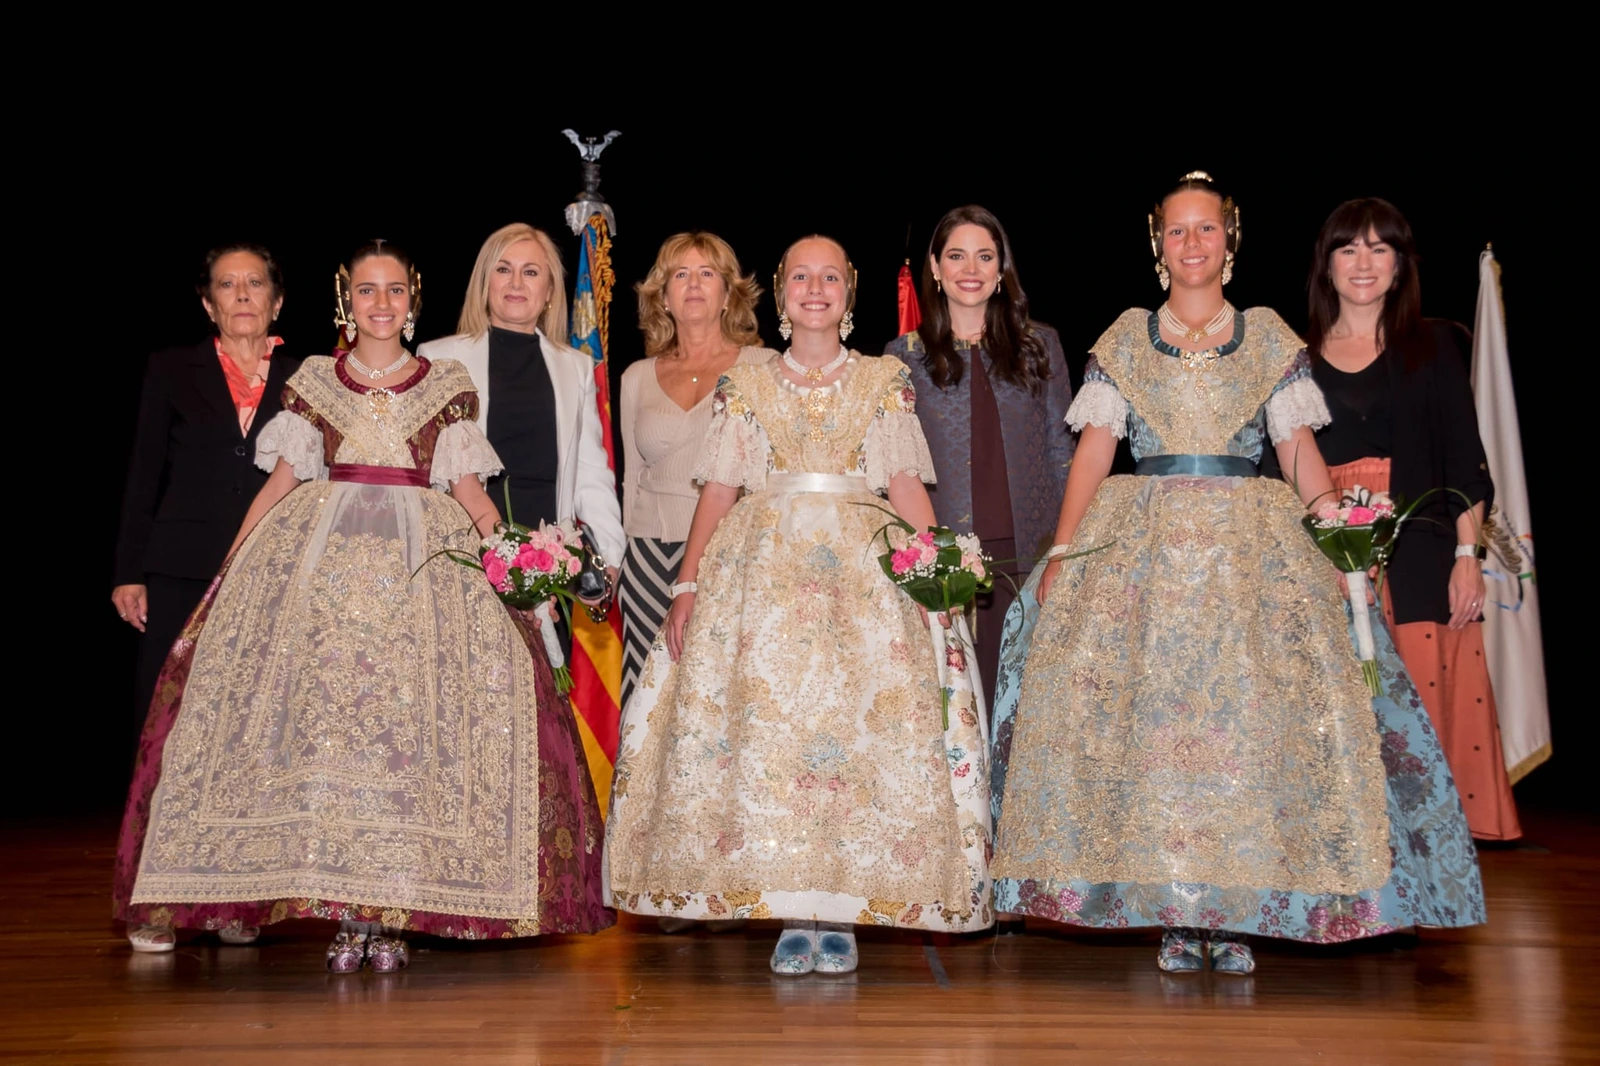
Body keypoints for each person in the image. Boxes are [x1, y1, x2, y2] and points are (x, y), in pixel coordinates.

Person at [988, 174, 1484, 976]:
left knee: (1244, 737)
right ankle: (1177, 914)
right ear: (1159, 245)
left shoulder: (1268, 338)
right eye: (1178, 231)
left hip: (1247, 559)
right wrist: (1066, 551)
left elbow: (1298, 452)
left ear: (1231, 239)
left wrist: (1336, 533)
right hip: (1143, 558)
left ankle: (1236, 913)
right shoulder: (1126, 338)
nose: (1193, 244)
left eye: (1207, 229)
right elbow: (1094, 453)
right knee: (1156, 739)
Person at [114, 242, 612, 968]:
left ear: (414, 299)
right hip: (328, 584)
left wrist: (511, 560)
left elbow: (470, 493)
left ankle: (390, 911)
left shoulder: (445, 384)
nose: (383, 303)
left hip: (422, 580)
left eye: (396, 290)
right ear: (347, 300)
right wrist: (233, 566)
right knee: (328, 736)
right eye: (368, 290)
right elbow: (282, 482)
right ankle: (341, 912)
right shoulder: (318, 378)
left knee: (405, 742)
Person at [605, 236, 991, 976]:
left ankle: (839, 912)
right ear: (782, 295)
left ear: (849, 293)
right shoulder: (747, 384)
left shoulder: (883, 379)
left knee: (850, 734)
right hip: (763, 580)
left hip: (863, 580)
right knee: (771, 738)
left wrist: (936, 570)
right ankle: (791, 911)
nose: (817, 289)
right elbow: (720, 490)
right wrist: (687, 586)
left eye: (831, 277)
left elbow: (904, 483)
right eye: (802, 277)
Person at [1306, 198, 1519, 840]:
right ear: (1327, 265)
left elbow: (1466, 461)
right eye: (1349, 248)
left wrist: (1467, 558)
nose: (1363, 262)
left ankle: (1426, 862)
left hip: (1420, 560)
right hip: (1323, 562)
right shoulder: (1294, 357)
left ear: (1400, 265)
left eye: (1380, 248)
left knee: (1419, 722)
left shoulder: (1436, 345)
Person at [886, 205, 1074, 713]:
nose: (970, 269)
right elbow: (894, 469)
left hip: (1028, 561)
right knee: (957, 713)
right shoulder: (902, 357)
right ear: (934, 266)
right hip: (943, 565)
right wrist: (923, 562)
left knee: (1023, 709)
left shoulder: (1040, 345)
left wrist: (1066, 551)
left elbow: (1062, 453)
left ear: (1001, 268)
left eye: (984, 256)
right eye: (956, 256)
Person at [113, 244, 298, 756]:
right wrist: (128, 572)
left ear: (277, 301)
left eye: (255, 283)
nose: (242, 295)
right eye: (226, 284)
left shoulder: (308, 377)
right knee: (169, 714)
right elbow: (143, 475)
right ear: (208, 304)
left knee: (258, 715)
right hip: (180, 571)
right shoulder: (171, 369)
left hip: (273, 573)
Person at [418, 223, 624, 607]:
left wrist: (609, 560)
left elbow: (591, 474)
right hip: (464, 561)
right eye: (503, 269)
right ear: (485, 283)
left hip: (549, 571)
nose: (516, 282)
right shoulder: (439, 359)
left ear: (549, 291)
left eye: (530, 272)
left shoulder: (576, 367)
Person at [619, 232, 774, 714]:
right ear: (663, 297)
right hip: (646, 558)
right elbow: (630, 479)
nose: (693, 284)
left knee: (717, 701)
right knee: (646, 702)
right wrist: (622, 563)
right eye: (680, 275)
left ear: (728, 295)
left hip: (731, 556)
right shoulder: (635, 377)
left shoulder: (764, 367)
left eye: (707, 274)